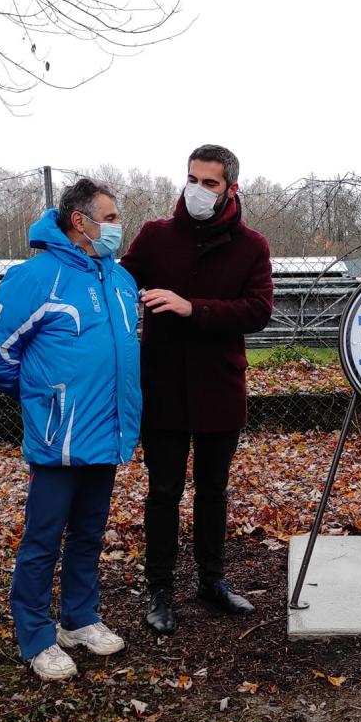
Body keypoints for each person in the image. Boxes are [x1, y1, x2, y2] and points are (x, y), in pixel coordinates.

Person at [0, 178, 142, 681]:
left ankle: (79, 618)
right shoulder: (37, 276)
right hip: (59, 438)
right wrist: (41, 397)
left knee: (89, 534)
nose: (116, 226)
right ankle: (35, 635)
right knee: (43, 540)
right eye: (109, 218)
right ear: (80, 222)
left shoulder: (119, 279)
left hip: (107, 432)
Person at [120, 144, 273, 635]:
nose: (198, 190)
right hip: (162, 384)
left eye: (210, 183)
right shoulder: (155, 237)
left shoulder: (252, 246)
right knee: (163, 491)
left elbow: (258, 311)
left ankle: (212, 580)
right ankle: (159, 588)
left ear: (231, 188)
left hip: (219, 387)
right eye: (192, 179)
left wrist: (194, 308)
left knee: (213, 490)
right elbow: (120, 286)